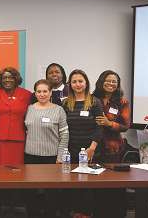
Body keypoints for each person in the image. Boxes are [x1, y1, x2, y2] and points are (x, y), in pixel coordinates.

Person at [24, 79, 69, 218]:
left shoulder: (59, 110)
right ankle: (32, 215)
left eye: (45, 91)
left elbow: (65, 135)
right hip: (31, 155)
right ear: (35, 93)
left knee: (51, 191)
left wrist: (60, 156)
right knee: (30, 191)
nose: (42, 94)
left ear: (50, 93)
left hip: (51, 156)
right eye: (39, 91)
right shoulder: (30, 108)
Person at [62, 69, 103, 218]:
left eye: (80, 81)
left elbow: (99, 127)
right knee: (73, 184)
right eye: (74, 81)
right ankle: (77, 212)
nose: (77, 84)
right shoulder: (65, 103)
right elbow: (63, 128)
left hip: (89, 151)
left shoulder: (94, 102)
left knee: (87, 185)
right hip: (71, 150)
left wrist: (91, 148)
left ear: (86, 83)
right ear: (70, 84)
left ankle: (86, 213)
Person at [0, 67, 31, 218]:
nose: (7, 80)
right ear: (0, 80)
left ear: (16, 79)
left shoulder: (27, 95)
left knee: (16, 176)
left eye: (11, 77)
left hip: (17, 141)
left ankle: (12, 210)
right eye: (4, 77)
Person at [92, 70, 130, 218]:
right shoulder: (93, 99)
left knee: (112, 183)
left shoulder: (121, 102)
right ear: (101, 82)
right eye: (108, 81)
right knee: (95, 182)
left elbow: (125, 126)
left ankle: (114, 214)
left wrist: (110, 124)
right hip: (93, 147)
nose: (111, 84)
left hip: (112, 149)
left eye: (114, 82)